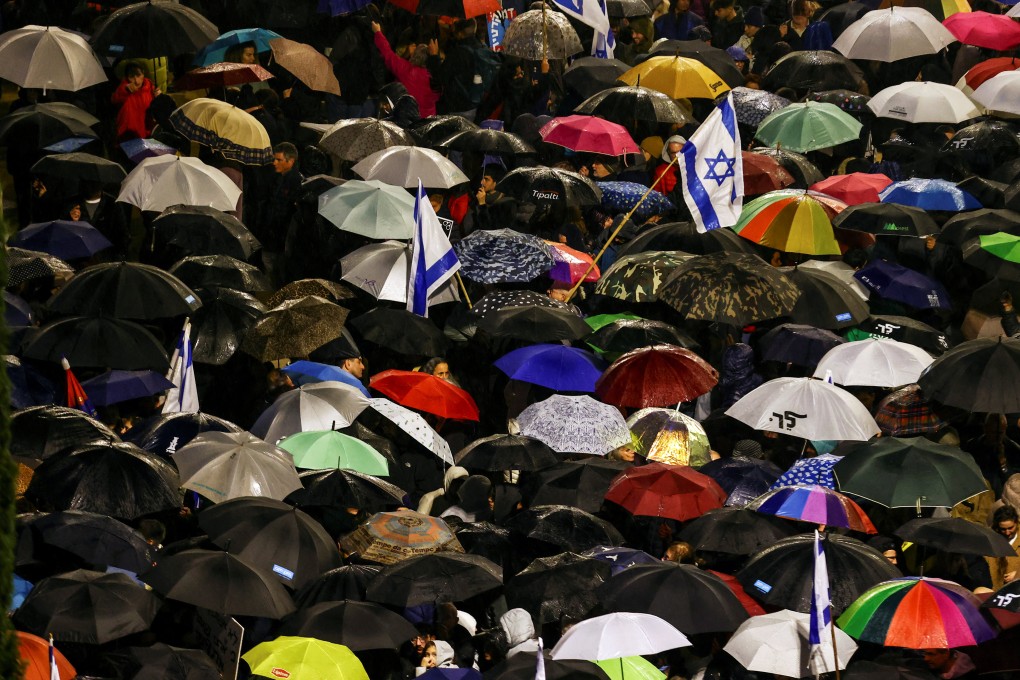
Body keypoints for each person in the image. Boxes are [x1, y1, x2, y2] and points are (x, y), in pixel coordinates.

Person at [371, 21, 441, 118]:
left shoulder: (405, 69)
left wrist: (378, 32)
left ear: (414, 55)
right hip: (427, 121)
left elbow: (387, 53)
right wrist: (435, 56)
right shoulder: (436, 78)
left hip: (405, 118)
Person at [259, 142, 303, 285]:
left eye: (279, 160)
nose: (274, 163)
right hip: (273, 237)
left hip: (280, 239)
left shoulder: (295, 182)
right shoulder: (278, 178)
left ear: (291, 161)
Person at [111, 62, 159, 142]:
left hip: (147, 133)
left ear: (143, 73)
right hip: (129, 136)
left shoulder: (150, 87)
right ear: (127, 77)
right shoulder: (124, 89)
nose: (136, 81)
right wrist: (126, 90)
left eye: (139, 75)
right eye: (131, 77)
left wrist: (159, 97)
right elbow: (115, 100)